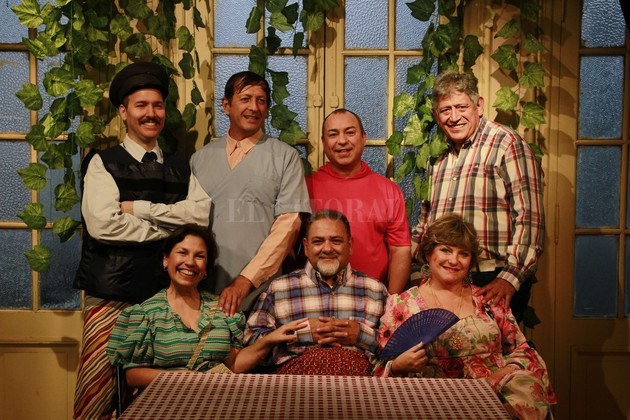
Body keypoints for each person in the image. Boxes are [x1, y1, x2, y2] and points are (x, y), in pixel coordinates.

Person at [73, 61, 210, 419]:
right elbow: (105, 225)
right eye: (141, 105)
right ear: (124, 111)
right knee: (99, 396)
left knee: (161, 399)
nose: (151, 113)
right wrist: (170, 234)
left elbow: (200, 216)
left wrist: (140, 210)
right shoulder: (102, 162)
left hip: (166, 301)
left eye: (158, 105)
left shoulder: (181, 167)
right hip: (112, 298)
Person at [375, 214, 555, 419]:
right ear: (428, 253)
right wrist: (397, 366)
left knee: (525, 390)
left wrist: (501, 375)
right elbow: (380, 365)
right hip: (434, 398)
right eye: (445, 250)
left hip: (494, 394)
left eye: (463, 254)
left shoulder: (488, 300)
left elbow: (522, 350)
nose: (454, 260)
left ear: (471, 261)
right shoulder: (402, 305)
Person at [412, 70, 545, 323]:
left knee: (492, 347)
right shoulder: (437, 155)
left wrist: (510, 278)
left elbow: (530, 218)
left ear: (479, 106)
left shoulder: (507, 144)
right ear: (436, 114)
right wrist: (416, 271)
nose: (454, 117)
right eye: (445, 110)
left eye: (461, 107)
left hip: (492, 278)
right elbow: (426, 220)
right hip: (442, 277)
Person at [107, 224, 306, 389]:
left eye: (199, 256)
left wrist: (269, 341)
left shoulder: (222, 309)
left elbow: (234, 364)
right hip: (167, 403)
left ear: (206, 269)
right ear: (166, 260)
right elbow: (132, 376)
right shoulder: (146, 313)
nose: (190, 262)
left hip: (216, 402)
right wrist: (184, 379)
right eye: (182, 253)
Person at [190, 71, 311, 316]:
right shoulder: (200, 159)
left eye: (261, 101)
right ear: (226, 105)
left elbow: (288, 226)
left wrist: (246, 279)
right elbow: (189, 224)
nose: (254, 107)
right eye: (245, 99)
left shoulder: (285, 157)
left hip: (262, 289)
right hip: (204, 286)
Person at [244, 209, 388, 376]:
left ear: (350, 246)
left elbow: (399, 349)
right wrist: (302, 334)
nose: (327, 248)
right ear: (306, 247)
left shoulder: (375, 290)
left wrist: (360, 335)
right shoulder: (279, 288)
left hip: (358, 387)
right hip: (294, 386)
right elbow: (251, 341)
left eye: (336, 241)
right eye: (318, 241)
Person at [306, 109, 411, 294]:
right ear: (323, 142)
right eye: (333, 134)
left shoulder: (388, 190)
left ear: (363, 137)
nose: (342, 140)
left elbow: (400, 250)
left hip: (372, 299)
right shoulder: (306, 188)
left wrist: (391, 301)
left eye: (350, 132)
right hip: (313, 298)